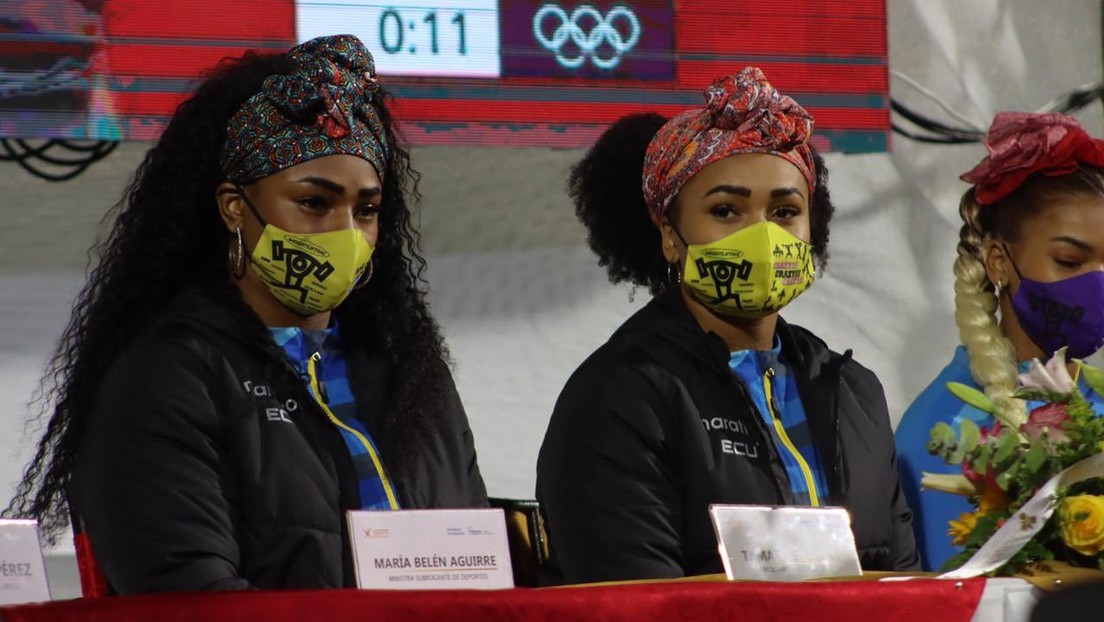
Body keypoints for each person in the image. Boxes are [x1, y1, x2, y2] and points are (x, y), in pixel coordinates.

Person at [3, 35, 487, 593]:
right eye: (314, 202)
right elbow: (186, 593)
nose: (346, 233)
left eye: (367, 209)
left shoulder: (407, 367)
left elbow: (479, 560)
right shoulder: (166, 374)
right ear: (235, 207)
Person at [536, 67, 919, 584]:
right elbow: (632, 601)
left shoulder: (855, 393)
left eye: (785, 211)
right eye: (726, 211)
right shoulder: (619, 397)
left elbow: (908, 589)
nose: (762, 235)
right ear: (671, 236)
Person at [896, 112, 1104, 571]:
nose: (1098, 285)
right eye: (1070, 260)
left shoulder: (1098, 401)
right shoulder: (941, 432)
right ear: (998, 262)